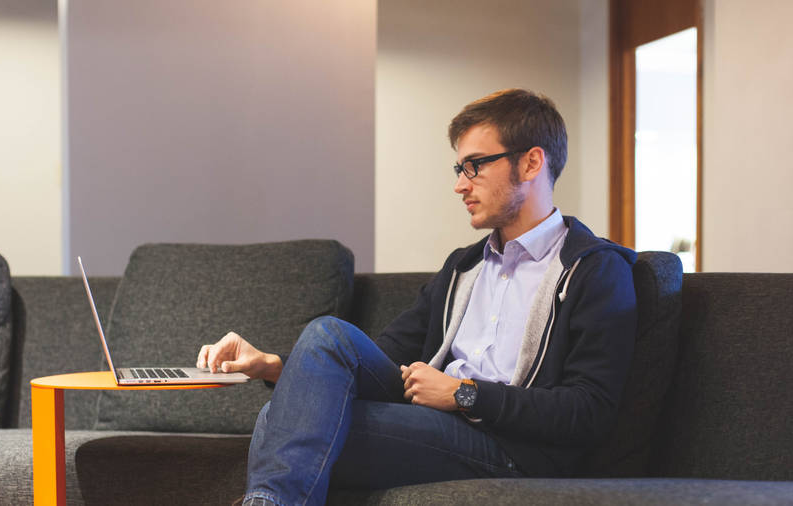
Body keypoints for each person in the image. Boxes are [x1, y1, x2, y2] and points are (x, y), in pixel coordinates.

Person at [196, 89, 637, 506]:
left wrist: (463, 394)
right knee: (327, 337)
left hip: (514, 449)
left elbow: (588, 410)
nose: (460, 185)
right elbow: (381, 357)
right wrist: (274, 365)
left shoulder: (593, 269)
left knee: (280, 423)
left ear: (531, 163)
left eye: (475, 165)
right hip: (438, 424)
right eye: (459, 169)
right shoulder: (464, 268)